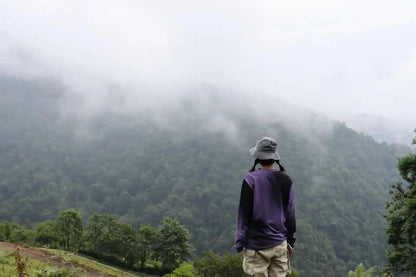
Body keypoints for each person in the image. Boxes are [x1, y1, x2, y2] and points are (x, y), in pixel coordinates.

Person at [235, 136, 296, 277]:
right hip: (280, 244)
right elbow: (290, 213)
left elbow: (244, 215)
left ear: (258, 156)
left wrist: (240, 242)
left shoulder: (250, 179)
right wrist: (290, 241)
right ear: (274, 158)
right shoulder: (286, 179)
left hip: (257, 246)